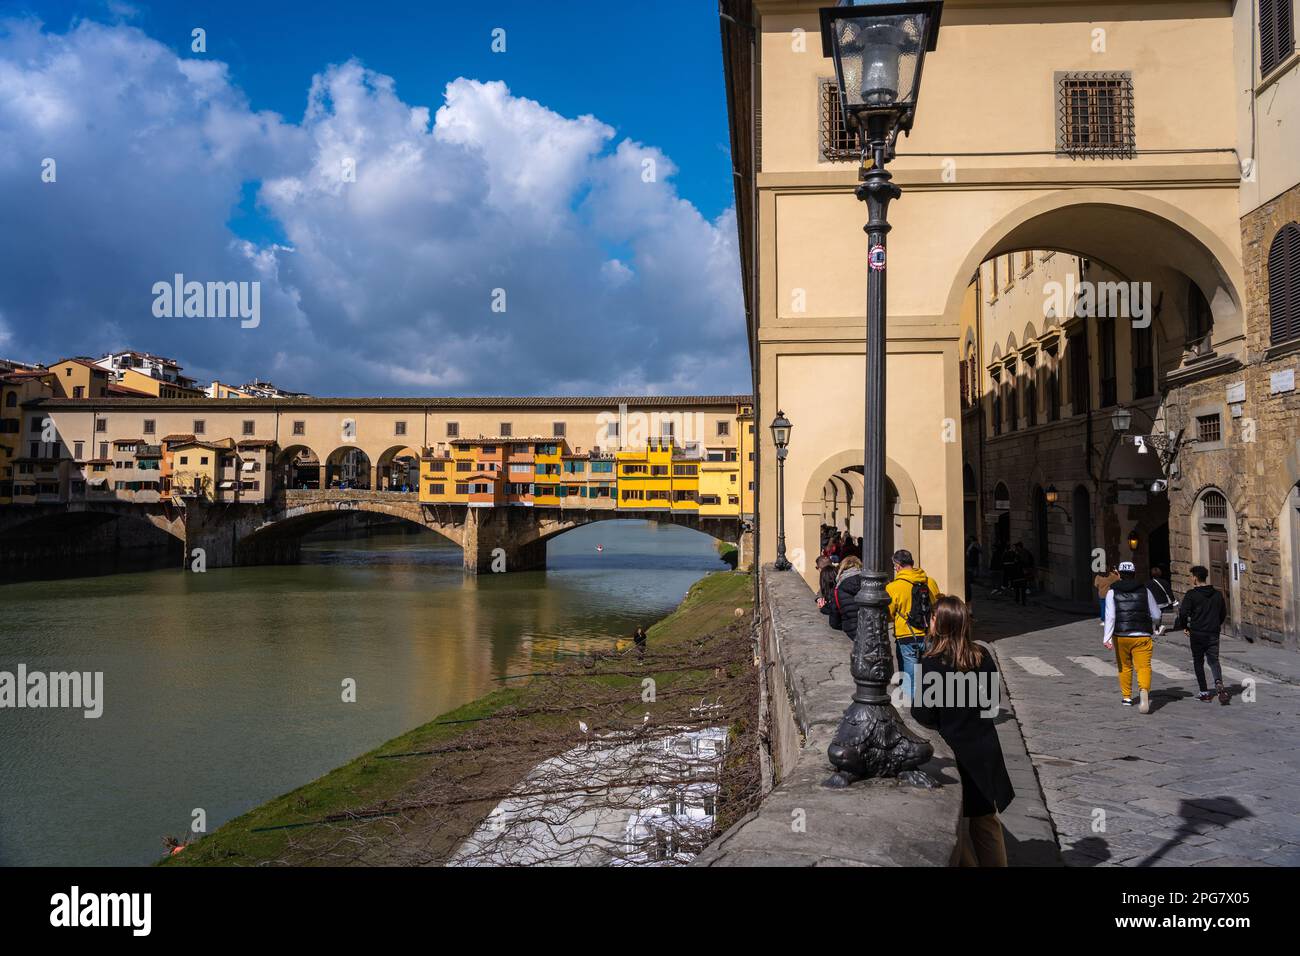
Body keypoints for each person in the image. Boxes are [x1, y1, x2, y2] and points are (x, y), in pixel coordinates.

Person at [911, 596, 1014, 867]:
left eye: (932, 618)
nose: (929, 621)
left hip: (956, 751)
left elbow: (923, 715)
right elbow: (991, 704)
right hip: (983, 747)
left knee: (957, 824)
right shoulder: (982, 655)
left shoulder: (930, 664)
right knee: (986, 821)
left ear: (940, 623)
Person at [1103, 561, 1162, 713]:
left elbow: (1110, 616)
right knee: (1143, 666)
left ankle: (1127, 697)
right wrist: (1155, 625)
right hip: (1142, 634)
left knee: (1124, 667)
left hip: (1121, 635)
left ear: (1119, 574)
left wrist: (1107, 638)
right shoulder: (1145, 591)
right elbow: (1156, 614)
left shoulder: (1112, 592)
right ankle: (1143, 693)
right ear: (1135, 574)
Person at [886, 549, 941, 699]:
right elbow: (938, 604)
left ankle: (912, 703)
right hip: (930, 633)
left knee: (910, 673)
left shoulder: (893, 587)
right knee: (929, 670)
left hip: (906, 634)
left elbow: (889, 614)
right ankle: (930, 699)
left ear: (897, 566)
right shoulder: (930, 581)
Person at [1174, 566, 1229, 704]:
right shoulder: (1217, 594)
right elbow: (1223, 614)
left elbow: (1183, 613)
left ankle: (1204, 693)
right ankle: (1218, 682)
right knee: (1214, 660)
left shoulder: (1191, 595)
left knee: (1198, 662)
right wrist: (1215, 624)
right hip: (1213, 633)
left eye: (1191, 576)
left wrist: (1185, 626)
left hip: (1197, 633)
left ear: (1195, 578)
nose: (1190, 578)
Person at [832, 556, 864, 644]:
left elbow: (834, 619)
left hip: (852, 629)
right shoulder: (869, 582)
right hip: (872, 628)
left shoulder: (839, 587)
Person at [1146, 565, 1178, 636]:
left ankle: (1157, 628)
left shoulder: (1148, 583)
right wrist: (1173, 601)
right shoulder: (1165, 582)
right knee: (1161, 616)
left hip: (1155, 603)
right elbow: (1169, 592)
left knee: (1155, 615)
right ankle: (1159, 627)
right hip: (1164, 603)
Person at [816, 556, 842, 631]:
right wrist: (819, 599)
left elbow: (834, 622)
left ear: (820, 568)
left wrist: (824, 608)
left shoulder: (834, 576)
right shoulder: (835, 573)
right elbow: (821, 590)